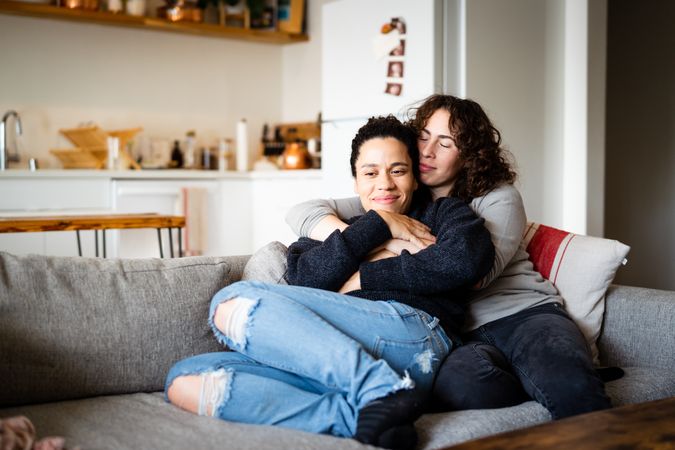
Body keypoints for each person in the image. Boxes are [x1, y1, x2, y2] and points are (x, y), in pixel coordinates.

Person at [164, 116, 494, 449]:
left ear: (415, 177)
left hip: (415, 335)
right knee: (185, 379)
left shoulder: (442, 214)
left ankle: (381, 387)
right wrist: (376, 226)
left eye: (397, 170)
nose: (384, 184)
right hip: (334, 358)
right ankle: (363, 416)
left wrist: (365, 274)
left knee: (233, 301)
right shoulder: (329, 234)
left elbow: (463, 260)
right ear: (355, 181)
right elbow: (307, 281)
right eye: (370, 173)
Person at [285, 94, 613, 419]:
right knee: (460, 388)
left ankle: (555, 375)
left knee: (568, 384)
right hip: (458, 334)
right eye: (424, 137)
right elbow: (304, 212)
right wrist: (380, 224)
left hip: (520, 315)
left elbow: (471, 274)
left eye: (445, 143)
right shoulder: (398, 188)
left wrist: (373, 262)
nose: (427, 151)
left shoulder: (497, 197)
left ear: (468, 153)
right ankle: (527, 381)